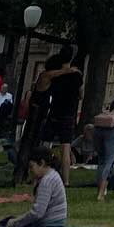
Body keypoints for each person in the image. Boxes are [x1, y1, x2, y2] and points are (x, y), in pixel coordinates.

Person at [30, 51, 82, 183]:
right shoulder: (76, 76)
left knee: (46, 145)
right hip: (68, 114)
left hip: (54, 113)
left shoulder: (56, 77)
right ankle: (66, 181)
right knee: (66, 149)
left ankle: (39, 176)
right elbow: (80, 94)